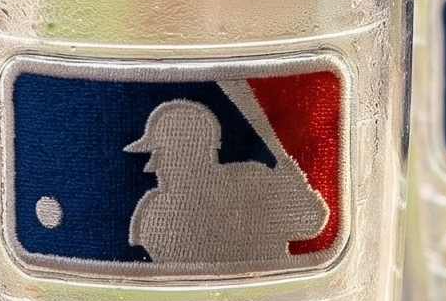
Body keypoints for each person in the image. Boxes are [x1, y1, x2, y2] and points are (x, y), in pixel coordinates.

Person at [126, 98, 327, 268]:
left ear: (188, 154)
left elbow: (310, 222)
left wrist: (294, 188)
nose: (152, 167)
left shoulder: (255, 183)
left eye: (160, 155)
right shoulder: (256, 182)